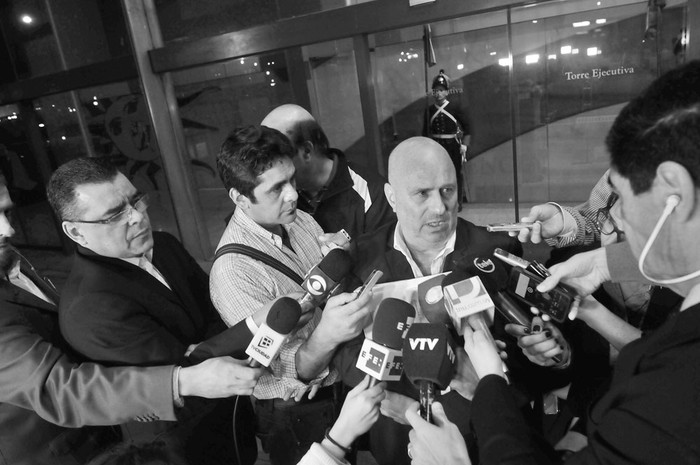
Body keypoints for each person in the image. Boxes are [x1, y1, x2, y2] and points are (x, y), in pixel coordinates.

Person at [408, 60, 700, 465]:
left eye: (623, 200)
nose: (613, 225)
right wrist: (607, 264)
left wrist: (484, 397)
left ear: (676, 193)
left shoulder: (673, 395)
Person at [0, 173, 262, 465]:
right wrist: (181, 379)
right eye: (113, 216)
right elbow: (59, 387)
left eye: (6, 211)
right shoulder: (90, 300)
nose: (8, 229)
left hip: (111, 432)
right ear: (75, 232)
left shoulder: (13, 262)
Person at [334, 136, 535, 465]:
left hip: (487, 439)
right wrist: (391, 401)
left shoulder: (497, 250)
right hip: (400, 436)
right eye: (422, 194)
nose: (440, 208)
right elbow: (345, 353)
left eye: (448, 190)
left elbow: (524, 352)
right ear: (392, 198)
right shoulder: (359, 257)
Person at [210, 125, 374, 465]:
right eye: (275, 189)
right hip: (295, 412)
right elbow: (284, 371)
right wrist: (328, 334)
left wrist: (340, 262)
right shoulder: (233, 273)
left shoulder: (300, 221)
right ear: (239, 198)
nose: (293, 195)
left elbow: (328, 289)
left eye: (291, 180)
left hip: (339, 383)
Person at [261, 104, 395, 239]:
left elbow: (389, 254)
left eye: (280, 155)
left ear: (307, 151)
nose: (269, 167)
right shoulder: (275, 192)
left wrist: (349, 251)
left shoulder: (371, 192)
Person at [423, 70, 471, 210]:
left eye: (441, 90)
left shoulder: (454, 107)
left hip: (452, 146)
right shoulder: (430, 110)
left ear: (446, 92)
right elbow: (425, 132)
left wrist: (465, 146)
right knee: (437, 176)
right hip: (436, 147)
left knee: (455, 174)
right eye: (436, 90)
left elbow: (467, 127)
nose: (438, 93)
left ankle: (457, 201)